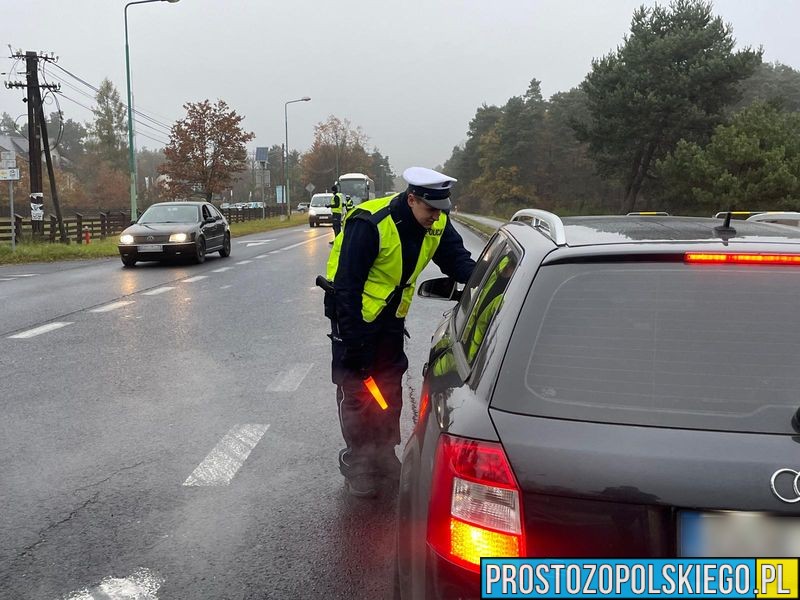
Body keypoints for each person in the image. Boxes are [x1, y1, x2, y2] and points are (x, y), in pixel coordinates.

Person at [322, 166, 476, 498]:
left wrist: (491, 276)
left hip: (391, 320)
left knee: (389, 388)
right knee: (357, 390)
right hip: (353, 318)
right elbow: (348, 288)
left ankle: (383, 452)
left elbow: (459, 262)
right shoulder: (370, 223)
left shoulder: (437, 224)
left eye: (441, 210)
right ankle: (358, 462)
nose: (436, 217)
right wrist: (354, 343)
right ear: (411, 200)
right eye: (430, 209)